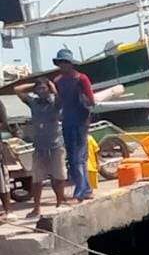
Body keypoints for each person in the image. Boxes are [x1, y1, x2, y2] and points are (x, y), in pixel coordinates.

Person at [14, 77, 68, 217]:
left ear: (48, 89)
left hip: (55, 145)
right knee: (37, 179)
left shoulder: (54, 103)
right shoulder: (34, 102)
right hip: (40, 146)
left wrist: (52, 86)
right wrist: (34, 85)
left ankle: (60, 202)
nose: (41, 91)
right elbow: (17, 90)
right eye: (39, 89)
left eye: (43, 88)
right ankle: (36, 208)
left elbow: (60, 99)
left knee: (59, 176)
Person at [52, 48, 95, 202]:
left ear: (70, 64)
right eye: (61, 63)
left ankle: (81, 190)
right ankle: (85, 189)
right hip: (68, 122)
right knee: (73, 158)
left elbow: (91, 100)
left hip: (80, 122)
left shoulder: (81, 79)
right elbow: (58, 103)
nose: (63, 65)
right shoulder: (58, 82)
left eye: (65, 62)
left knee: (78, 157)